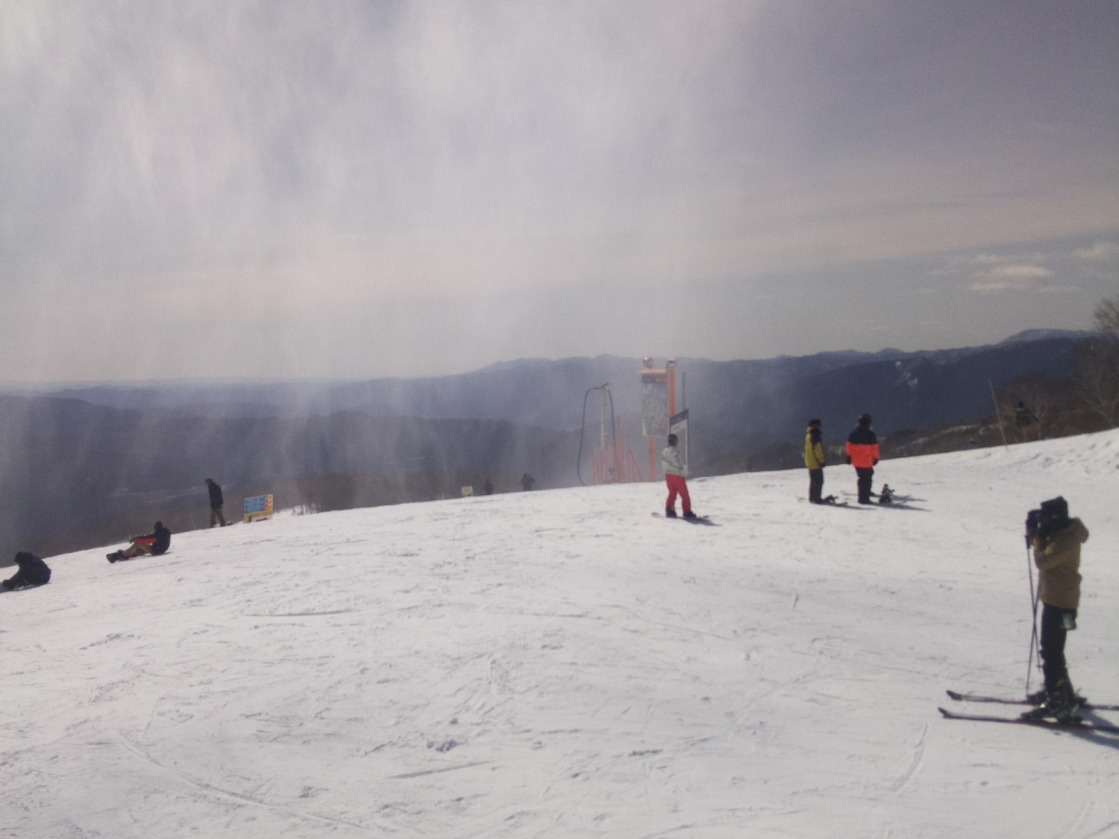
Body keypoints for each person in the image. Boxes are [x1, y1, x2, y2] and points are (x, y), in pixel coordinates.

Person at [1021, 496, 1089, 722]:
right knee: (1055, 650)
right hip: (1061, 601)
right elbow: (1045, 551)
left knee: (1050, 651)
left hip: (1060, 604)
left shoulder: (1066, 540)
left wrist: (1037, 536)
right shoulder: (1063, 534)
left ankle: (1057, 703)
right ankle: (1062, 693)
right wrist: (1037, 534)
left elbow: (1043, 561)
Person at [845, 413, 880, 504]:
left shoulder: (853, 433)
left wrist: (849, 456)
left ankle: (863, 496)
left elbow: (849, 446)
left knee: (862, 478)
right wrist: (876, 458)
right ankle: (864, 498)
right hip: (867, 460)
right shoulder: (870, 434)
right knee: (867, 479)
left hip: (856, 461)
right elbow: (874, 448)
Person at [661, 433, 697, 519]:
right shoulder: (675, 451)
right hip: (677, 475)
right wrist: (684, 472)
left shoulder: (664, 451)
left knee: (672, 493)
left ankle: (669, 510)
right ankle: (687, 512)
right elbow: (679, 463)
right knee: (684, 494)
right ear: (675, 441)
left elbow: (664, 463)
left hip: (668, 475)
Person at [108, 521, 172, 563]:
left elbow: (149, 539)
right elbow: (150, 538)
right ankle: (118, 556)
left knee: (138, 544)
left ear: (157, 527)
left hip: (157, 550)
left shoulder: (159, 534)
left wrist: (137, 539)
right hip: (158, 549)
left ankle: (124, 555)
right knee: (139, 550)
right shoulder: (163, 532)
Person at [804, 418, 826, 503]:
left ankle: (812, 497)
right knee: (819, 481)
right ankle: (817, 498)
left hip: (809, 461)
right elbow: (818, 450)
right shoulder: (815, 435)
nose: (820, 427)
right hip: (815, 462)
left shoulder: (808, 435)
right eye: (819, 425)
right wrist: (821, 461)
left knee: (813, 481)